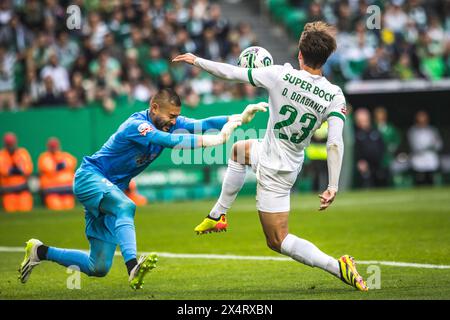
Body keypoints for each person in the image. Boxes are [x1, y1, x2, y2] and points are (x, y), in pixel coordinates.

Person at [173, 21, 368, 291]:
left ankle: (338, 267)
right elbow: (334, 143)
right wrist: (333, 185)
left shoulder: (280, 75)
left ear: (300, 54)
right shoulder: (335, 95)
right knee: (239, 150)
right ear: (326, 58)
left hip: (274, 169)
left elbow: (231, 72)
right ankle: (218, 214)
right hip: (284, 159)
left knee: (277, 240)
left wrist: (196, 60)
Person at [18, 88, 264, 290]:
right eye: (171, 116)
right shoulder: (137, 125)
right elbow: (166, 141)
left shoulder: (168, 122)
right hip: (90, 177)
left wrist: (238, 118)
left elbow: (201, 123)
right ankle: (132, 266)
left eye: (177, 116)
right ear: (154, 108)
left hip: (109, 189)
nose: (175, 121)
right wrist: (217, 140)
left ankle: (39, 251)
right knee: (126, 205)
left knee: (98, 267)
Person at [38, 137, 77, 210]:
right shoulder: (44, 157)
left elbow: (72, 162)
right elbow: (49, 168)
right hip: (51, 190)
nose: (53, 148)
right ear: (48, 147)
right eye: (52, 146)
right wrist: (60, 165)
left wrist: (61, 164)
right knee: (56, 206)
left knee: (68, 206)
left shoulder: (65, 155)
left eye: (55, 146)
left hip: (67, 189)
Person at [0, 133, 33, 212]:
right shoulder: (1, 154)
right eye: (8, 144)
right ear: (5, 144)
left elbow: (27, 169)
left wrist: (15, 170)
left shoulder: (22, 153)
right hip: (8, 190)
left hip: (23, 188)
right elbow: (3, 170)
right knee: (10, 210)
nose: (10, 146)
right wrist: (14, 170)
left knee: (26, 209)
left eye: (12, 143)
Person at [354, 108, 387, 188]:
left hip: (378, 164)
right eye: (359, 119)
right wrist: (360, 161)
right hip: (365, 165)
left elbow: (382, 146)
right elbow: (356, 150)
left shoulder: (375, 130)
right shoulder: (356, 133)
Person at [408, 110, 443, 185]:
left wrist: (433, 146)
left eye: (424, 117)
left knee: (430, 178)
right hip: (418, 158)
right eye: (420, 117)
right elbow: (415, 145)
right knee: (420, 179)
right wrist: (426, 147)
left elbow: (438, 144)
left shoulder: (432, 130)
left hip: (430, 157)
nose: (422, 120)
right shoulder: (413, 131)